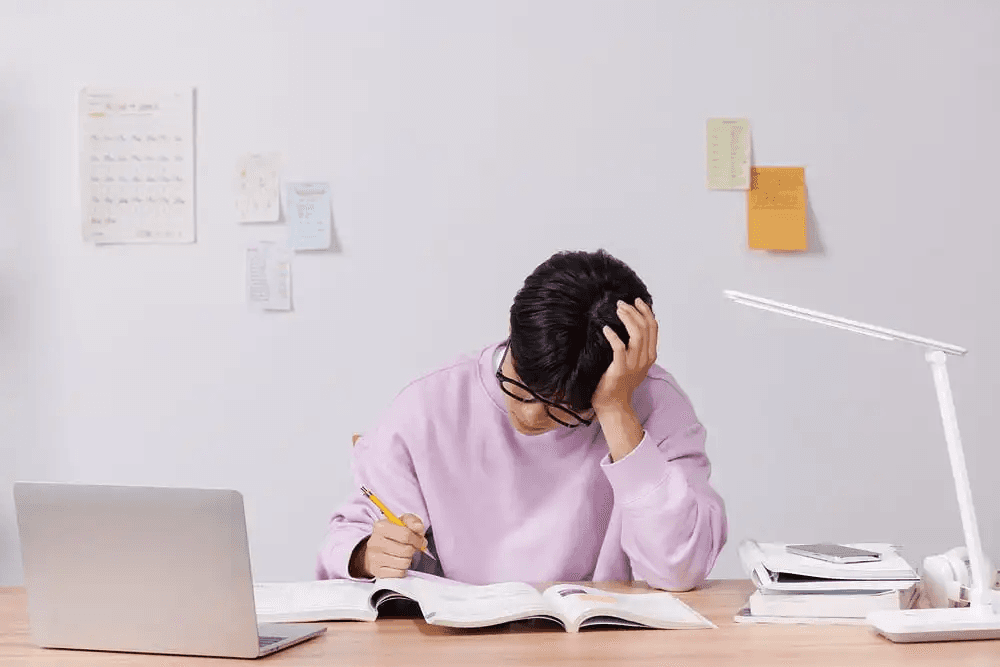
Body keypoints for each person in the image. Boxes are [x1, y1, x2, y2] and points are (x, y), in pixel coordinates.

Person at [316, 249, 727, 591]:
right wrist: (366, 554)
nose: (530, 414)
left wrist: (617, 411)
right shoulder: (429, 406)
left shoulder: (653, 405)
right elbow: (344, 541)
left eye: (563, 408)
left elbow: (678, 570)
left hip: (598, 643)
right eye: (519, 383)